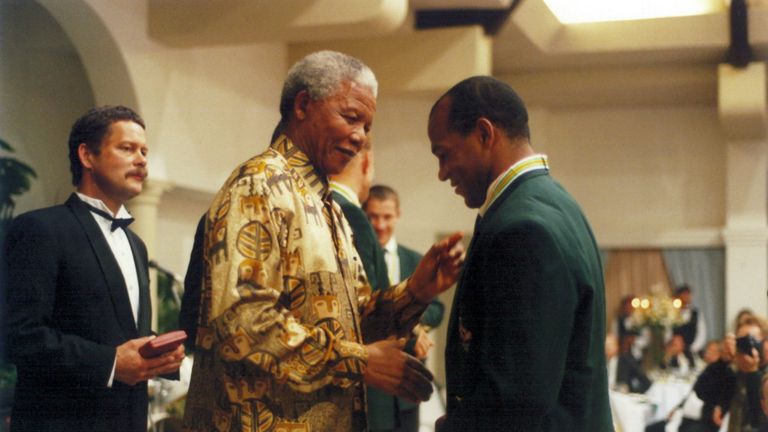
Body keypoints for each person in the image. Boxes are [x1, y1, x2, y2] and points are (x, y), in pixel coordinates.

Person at [182, 50, 464, 432]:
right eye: (351, 117)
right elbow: (244, 323)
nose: (359, 137)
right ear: (303, 105)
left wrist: (415, 291)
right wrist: (358, 362)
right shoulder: (259, 185)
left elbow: (354, 323)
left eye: (366, 126)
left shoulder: (325, 204)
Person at [428, 76, 612, 431]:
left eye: (444, 153)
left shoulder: (522, 227)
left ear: (484, 133)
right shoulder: (553, 202)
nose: (442, 173)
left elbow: (516, 396)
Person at [1, 105, 185, 432]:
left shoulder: (136, 245)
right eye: (127, 148)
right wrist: (111, 363)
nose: (142, 159)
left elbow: (115, 332)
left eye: (144, 151)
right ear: (87, 156)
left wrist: (158, 354)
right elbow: (20, 336)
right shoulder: (40, 229)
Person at [364, 184, 446, 432]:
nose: (380, 225)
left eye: (386, 217)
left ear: (397, 214)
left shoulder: (415, 260)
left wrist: (418, 325)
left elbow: (436, 308)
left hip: (409, 383)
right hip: (374, 387)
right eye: (373, 217)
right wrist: (413, 329)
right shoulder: (359, 260)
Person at [328, 143, 394, 431]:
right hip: (354, 378)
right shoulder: (353, 215)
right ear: (367, 162)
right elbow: (366, 310)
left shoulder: (319, 204)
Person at [695, 317, 765, 432]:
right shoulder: (734, 374)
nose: (746, 346)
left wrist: (753, 372)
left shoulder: (765, 376)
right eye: (741, 342)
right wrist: (722, 361)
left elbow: (758, 419)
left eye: (751, 340)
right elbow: (701, 391)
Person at [672, 284, 707, 360]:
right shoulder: (672, 314)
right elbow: (668, 333)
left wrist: (692, 349)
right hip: (676, 354)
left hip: (694, 352)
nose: (686, 297)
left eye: (688, 294)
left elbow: (702, 334)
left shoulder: (696, 313)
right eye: (684, 294)